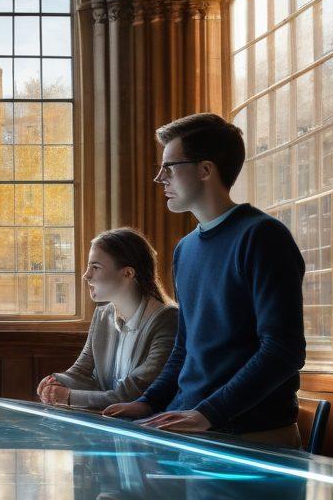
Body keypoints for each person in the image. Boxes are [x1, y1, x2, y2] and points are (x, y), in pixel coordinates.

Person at [103, 113, 306, 446]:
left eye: (169, 167)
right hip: (193, 431)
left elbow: (283, 351)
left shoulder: (263, 237)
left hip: (252, 436)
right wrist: (147, 402)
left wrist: (208, 413)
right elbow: (186, 347)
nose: (159, 178)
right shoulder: (185, 249)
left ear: (205, 169)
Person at [37, 228, 178, 410]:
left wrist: (69, 397)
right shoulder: (103, 315)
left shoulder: (168, 320)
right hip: (110, 424)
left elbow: (131, 394)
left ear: (127, 273)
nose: (86, 275)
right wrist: (56, 381)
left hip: (149, 428)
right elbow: (81, 370)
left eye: (95, 267)